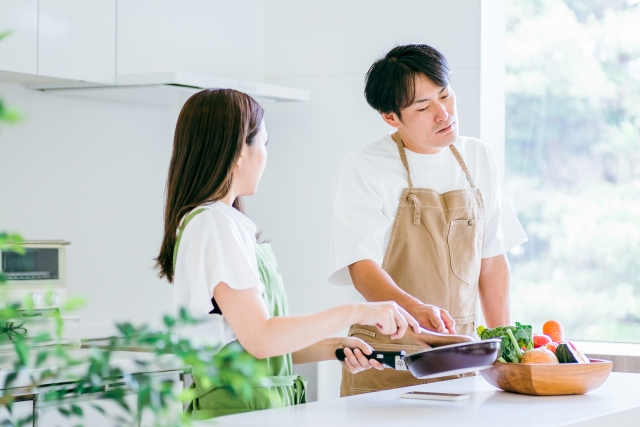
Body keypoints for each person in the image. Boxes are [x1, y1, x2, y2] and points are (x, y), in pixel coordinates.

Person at [155, 88, 420, 419]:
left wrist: (336, 346)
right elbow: (261, 339)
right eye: (263, 144)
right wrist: (357, 311)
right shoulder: (214, 225)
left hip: (253, 408)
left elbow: (250, 346)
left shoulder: (219, 223)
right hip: (237, 412)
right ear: (239, 152)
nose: (266, 155)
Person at [328, 44, 528, 396]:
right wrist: (416, 310)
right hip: (387, 357)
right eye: (423, 107)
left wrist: (506, 353)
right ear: (391, 117)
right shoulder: (364, 166)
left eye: (446, 95)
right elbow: (362, 268)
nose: (443, 113)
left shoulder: (477, 157)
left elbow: (493, 262)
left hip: (460, 356)